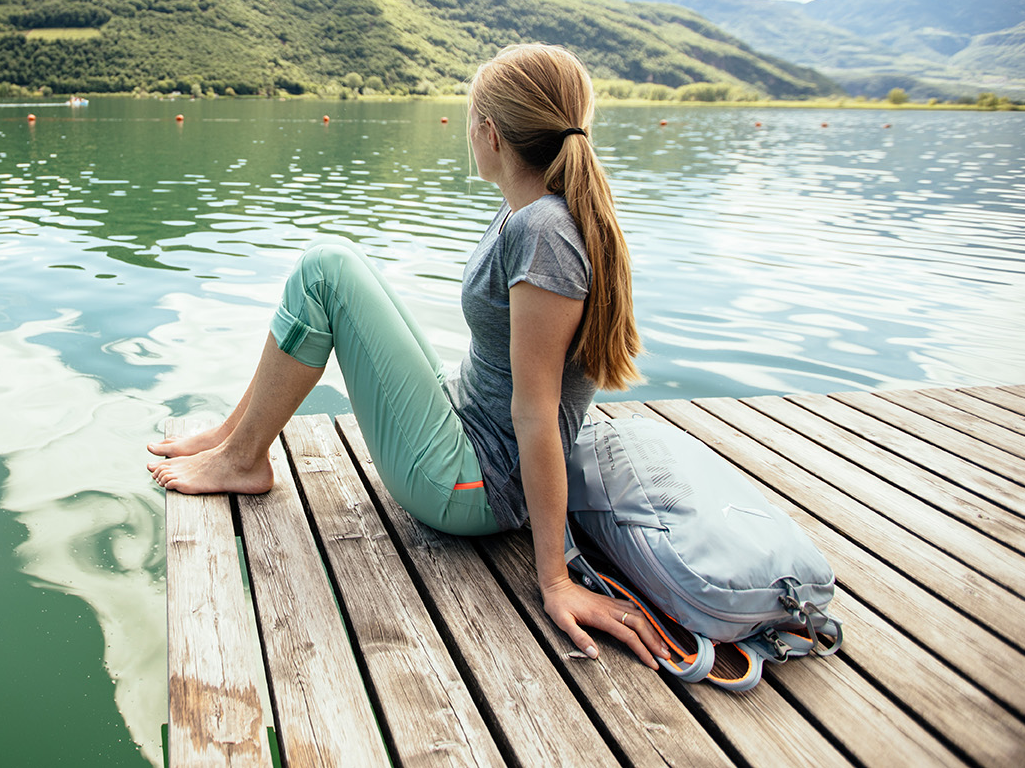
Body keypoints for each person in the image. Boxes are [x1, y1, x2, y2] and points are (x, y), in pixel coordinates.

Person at [146, 43, 667, 668]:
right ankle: (236, 437)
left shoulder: (544, 232)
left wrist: (554, 578)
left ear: (490, 132)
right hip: (466, 421)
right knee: (347, 267)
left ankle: (241, 457)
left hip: (473, 483)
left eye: (470, 120)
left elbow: (536, 413)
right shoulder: (526, 210)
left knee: (326, 270)